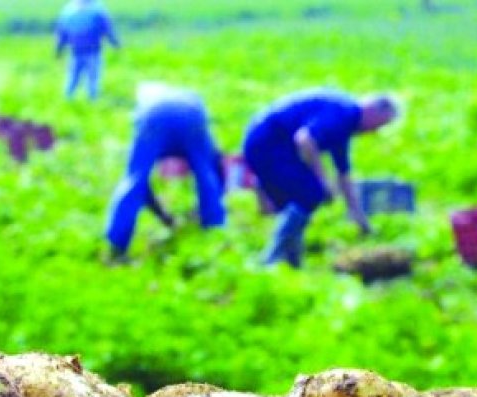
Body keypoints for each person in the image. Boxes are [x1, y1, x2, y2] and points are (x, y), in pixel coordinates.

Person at [243, 89, 399, 267]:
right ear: (372, 111)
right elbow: (305, 139)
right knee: (310, 194)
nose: (374, 132)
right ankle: (273, 258)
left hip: (275, 146)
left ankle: (291, 260)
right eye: (379, 125)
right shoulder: (342, 114)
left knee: (303, 198)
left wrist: (358, 216)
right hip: (266, 144)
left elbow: (344, 174)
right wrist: (323, 180)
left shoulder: (345, 123)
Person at [105, 83, 226, 258]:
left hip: (154, 116)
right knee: (205, 175)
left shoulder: (147, 96)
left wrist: (162, 216)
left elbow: (142, 186)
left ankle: (117, 244)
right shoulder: (188, 95)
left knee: (134, 179)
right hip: (192, 115)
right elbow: (216, 168)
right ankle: (215, 234)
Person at [55, 0, 120, 100]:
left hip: (75, 51)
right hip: (93, 51)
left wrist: (58, 50)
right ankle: (92, 103)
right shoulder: (97, 9)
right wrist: (115, 44)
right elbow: (107, 28)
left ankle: (67, 100)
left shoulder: (68, 10)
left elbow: (61, 33)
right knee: (92, 80)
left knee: (72, 78)